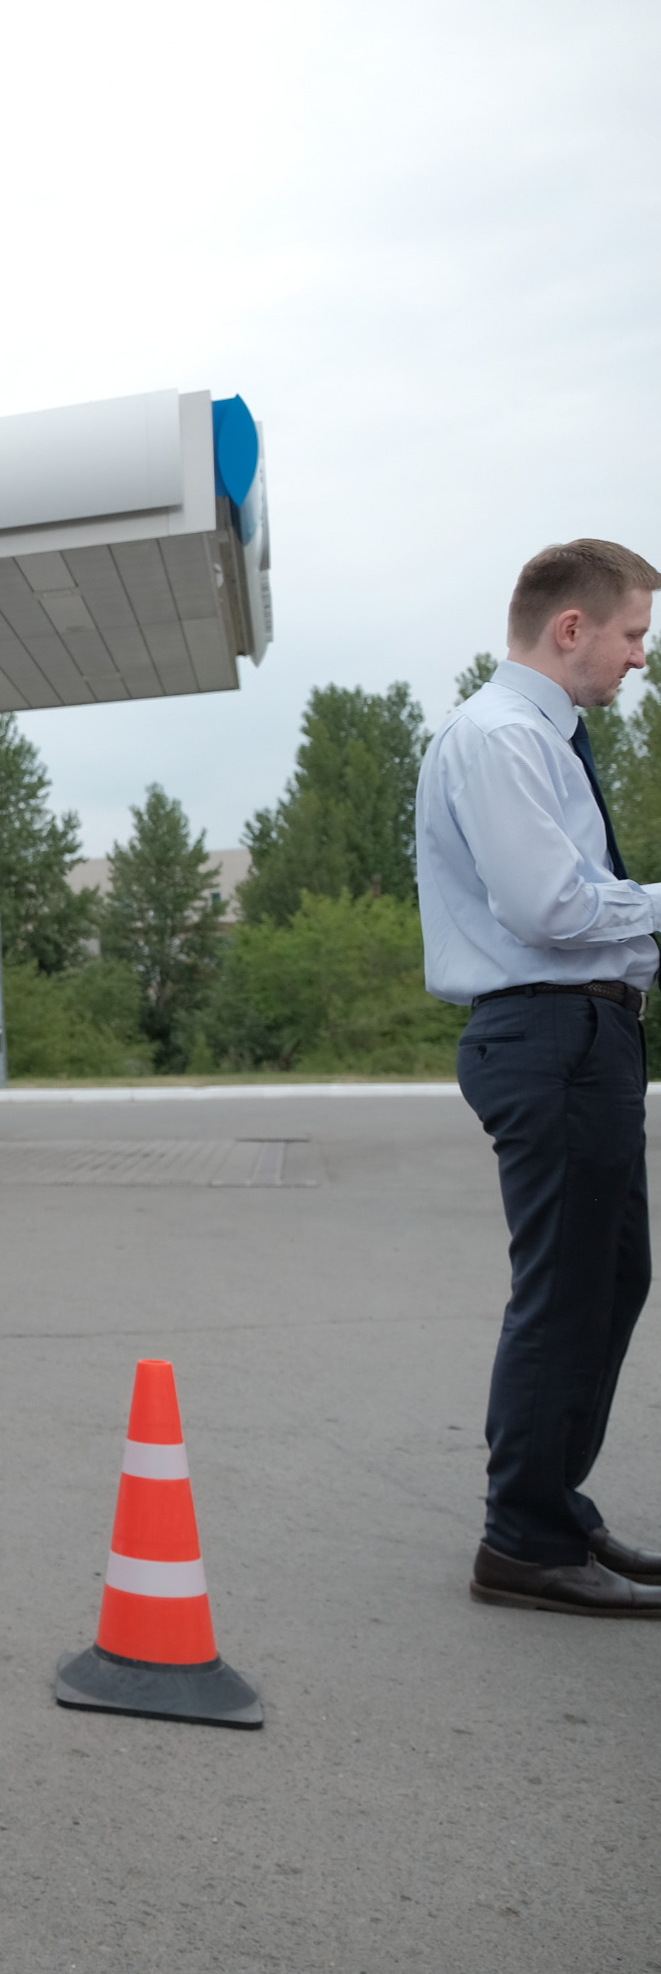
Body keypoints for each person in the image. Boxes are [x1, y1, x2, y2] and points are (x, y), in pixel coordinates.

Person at [415, 536, 661, 1617]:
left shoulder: (539, 739)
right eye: (632, 635)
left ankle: (553, 1509)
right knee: (565, 1293)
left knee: (610, 1278)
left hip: (579, 1035)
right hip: (549, 1037)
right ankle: (521, 1537)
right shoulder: (502, 737)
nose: (638, 659)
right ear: (573, 629)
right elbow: (551, 909)